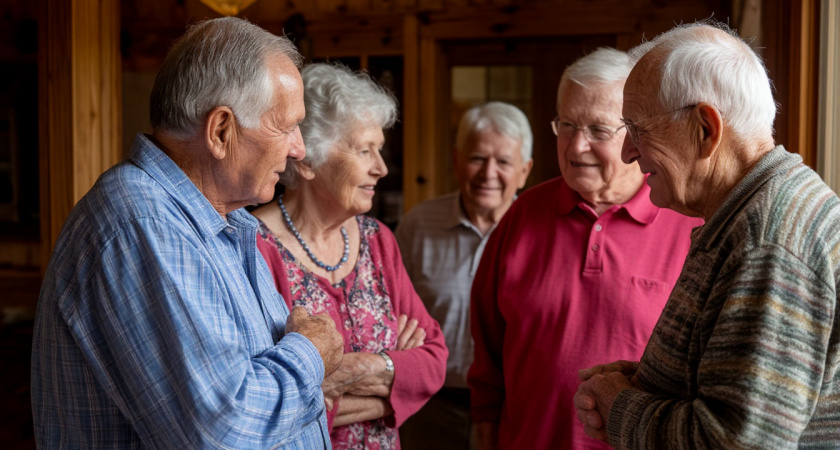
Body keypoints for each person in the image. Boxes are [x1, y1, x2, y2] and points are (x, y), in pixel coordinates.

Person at [30, 18, 345, 448]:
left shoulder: (216, 218)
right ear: (221, 131)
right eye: (287, 126)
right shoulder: (144, 224)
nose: (299, 149)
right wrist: (311, 355)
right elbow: (220, 433)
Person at [574, 22, 840, 449]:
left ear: (705, 129)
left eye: (638, 129)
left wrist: (621, 407)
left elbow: (738, 442)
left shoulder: (767, 240)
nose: (627, 152)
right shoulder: (754, 211)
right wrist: (651, 381)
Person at [468, 48, 704, 450]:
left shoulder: (690, 226)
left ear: (637, 134)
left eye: (598, 129)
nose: (577, 146)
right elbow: (487, 355)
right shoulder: (522, 215)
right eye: (567, 125)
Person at [250, 62, 448, 450]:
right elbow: (264, 404)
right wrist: (395, 375)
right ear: (308, 159)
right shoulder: (255, 247)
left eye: (380, 149)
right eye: (364, 150)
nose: (382, 168)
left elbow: (434, 360)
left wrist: (354, 370)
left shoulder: (377, 240)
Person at [395, 102, 533, 450]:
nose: (488, 173)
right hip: (429, 406)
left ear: (524, 170)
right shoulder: (418, 224)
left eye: (504, 162)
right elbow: (390, 312)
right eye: (477, 158)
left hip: (512, 408)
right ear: (456, 161)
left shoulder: (540, 231)